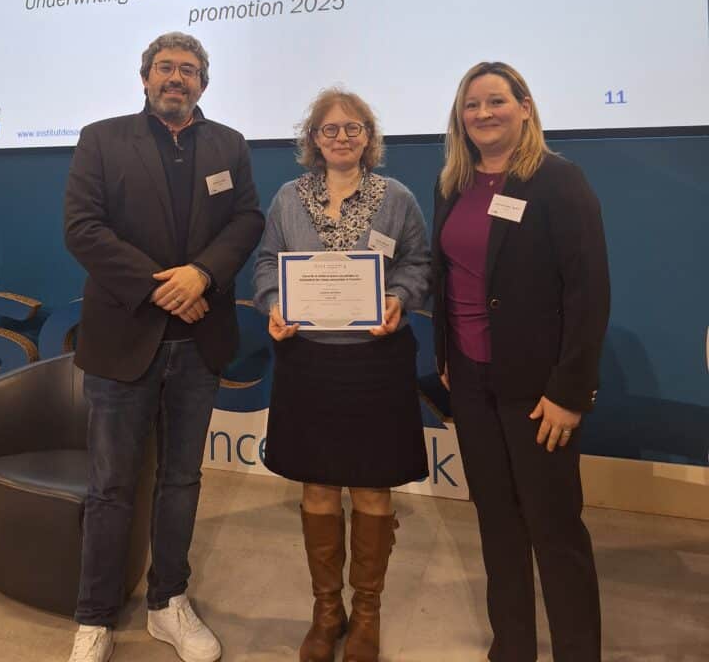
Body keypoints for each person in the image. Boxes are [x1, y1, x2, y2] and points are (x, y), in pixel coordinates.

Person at [63, 32, 264, 662]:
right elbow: (83, 228)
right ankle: (94, 617)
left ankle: (167, 603)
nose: (177, 78)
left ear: (205, 82)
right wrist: (166, 288)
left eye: (189, 69)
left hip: (199, 344)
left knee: (181, 480)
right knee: (111, 486)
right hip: (126, 338)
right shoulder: (101, 138)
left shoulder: (229, 144)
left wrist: (201, 275)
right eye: (165, 68)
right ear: (144, 77)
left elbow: (247, 221)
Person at [431, 61, 610, 662]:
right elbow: (448, 278)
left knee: (555, 533)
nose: (483, 114)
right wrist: (448, 359)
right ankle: (512, 646)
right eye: (472, 104)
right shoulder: (452, 183)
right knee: (497, 526)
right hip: (472, 383)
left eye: (496, 102)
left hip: (538, 391)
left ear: (525, 108)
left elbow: (588, 292)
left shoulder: (559, 182)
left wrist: (570, 391)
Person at [253, 87, 430, 662]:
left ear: (369, 137)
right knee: (318, 484)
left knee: (372, 488)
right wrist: (274, 305)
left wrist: (400, 297)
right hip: (309, 363)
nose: (342, 138)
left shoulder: (396, 197)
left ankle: (367, 613)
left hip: (376, 362)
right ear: (313, 139)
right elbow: (265, 264)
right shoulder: (287, 197)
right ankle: (327, 611)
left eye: (353, 128)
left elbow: (418, 263)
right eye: (330, 130)